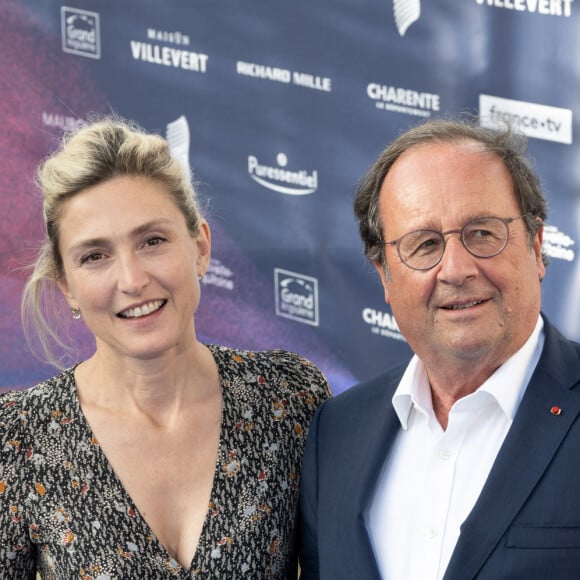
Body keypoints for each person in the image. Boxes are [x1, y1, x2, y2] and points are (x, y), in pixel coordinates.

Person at [0, 116, 331, 579]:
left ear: (200, 248)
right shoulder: (17, 439)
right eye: (95, 256)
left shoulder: (288, 398)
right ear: (67, 286)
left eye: (152, 241)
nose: (133, 280)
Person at [299, 117, 580, 579]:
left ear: (535, 245)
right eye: (424, 245)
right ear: (384, 274)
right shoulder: (336, 434)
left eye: (483, 233)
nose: (455, 268)